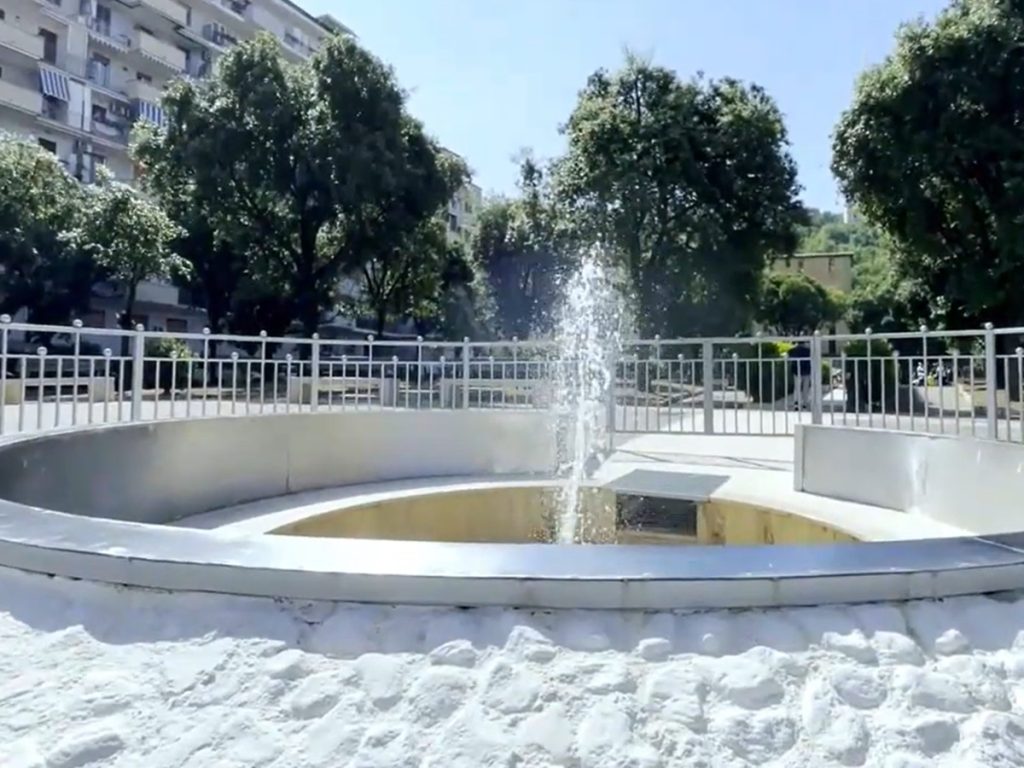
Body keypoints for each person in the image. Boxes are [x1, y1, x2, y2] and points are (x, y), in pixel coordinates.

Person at [789, 341, 813, 410]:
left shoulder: (793, 350)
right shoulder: (808, 350)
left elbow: (788, 357)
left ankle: (796, 402)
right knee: (805, 388)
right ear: (804, 343)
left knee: (797, 388)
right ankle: (804, 403)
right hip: (806, 371)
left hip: (797, 371)